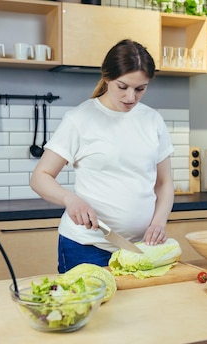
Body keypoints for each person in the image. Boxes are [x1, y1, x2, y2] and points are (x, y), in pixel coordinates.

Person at [30, 39, 175, 272]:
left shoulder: (153, 120)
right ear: (107, 77)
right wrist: (70, 199)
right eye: (123, 86)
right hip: (87, 246)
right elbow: (40, 176)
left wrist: (159, 222)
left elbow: (164, 182)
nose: (131, 97)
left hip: (140, 248)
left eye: (140, 89)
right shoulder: (80, 119)